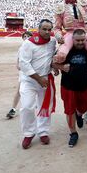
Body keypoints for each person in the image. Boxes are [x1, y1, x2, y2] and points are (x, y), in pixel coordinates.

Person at [18, 19, 56, 149]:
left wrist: (55, 67)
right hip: (30, 81)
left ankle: (43, 131)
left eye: (49, 29)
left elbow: (52, 58)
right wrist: (38, 79)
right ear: (38, 29)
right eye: (44, 29)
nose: (46, 32)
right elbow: (24, 64)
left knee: (45, 107)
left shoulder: (52, 41)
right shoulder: (28, 44)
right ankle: (29, 133)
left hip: (45, 79)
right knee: (27, 106)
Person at [53, 29, 87, 148]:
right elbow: (52, 63)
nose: (80, 42)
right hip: (68, 86)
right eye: (77, 40)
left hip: (84, 86)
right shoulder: (65, 50)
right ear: (72, 39)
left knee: (84, 108)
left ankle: (79, 114)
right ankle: (73, 133)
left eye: (82, 40)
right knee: (69, 111)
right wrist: (62, 67)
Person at [6, 31, 33, 119]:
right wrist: (19, 65)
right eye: (25, 36)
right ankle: (13, 109)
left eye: (28, 36)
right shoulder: (21, 48)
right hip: (24, 73)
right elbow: (18, 62)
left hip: (34, 73)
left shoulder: (34, 47)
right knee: (19, 91)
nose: (26, 38)